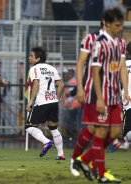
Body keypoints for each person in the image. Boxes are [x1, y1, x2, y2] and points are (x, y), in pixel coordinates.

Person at [73, 8, 129, 183]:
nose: (121, 28)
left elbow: (120, 68)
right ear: (108, 23)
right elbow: (94, 71)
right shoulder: (98, 42)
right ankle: (101, 173)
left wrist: (125, 89)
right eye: (118, 25)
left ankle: (84, 159)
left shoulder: (120, 43)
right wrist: (97, 97)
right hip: (99, 94)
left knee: (117, 131)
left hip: (114, 94)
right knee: (99, 131)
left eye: (122, 25)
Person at [25, 47, 65, 160]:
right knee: (53, 128)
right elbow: (61, 85)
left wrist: (30, 102)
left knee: (29, 126)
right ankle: (61, 154)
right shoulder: (51, 68)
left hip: (42, 102)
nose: (29, 58)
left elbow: (36, 85)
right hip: (53, 102)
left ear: (37, 58)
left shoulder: (34, 69)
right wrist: (56, 99)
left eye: (31, 56)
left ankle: (47, 142)